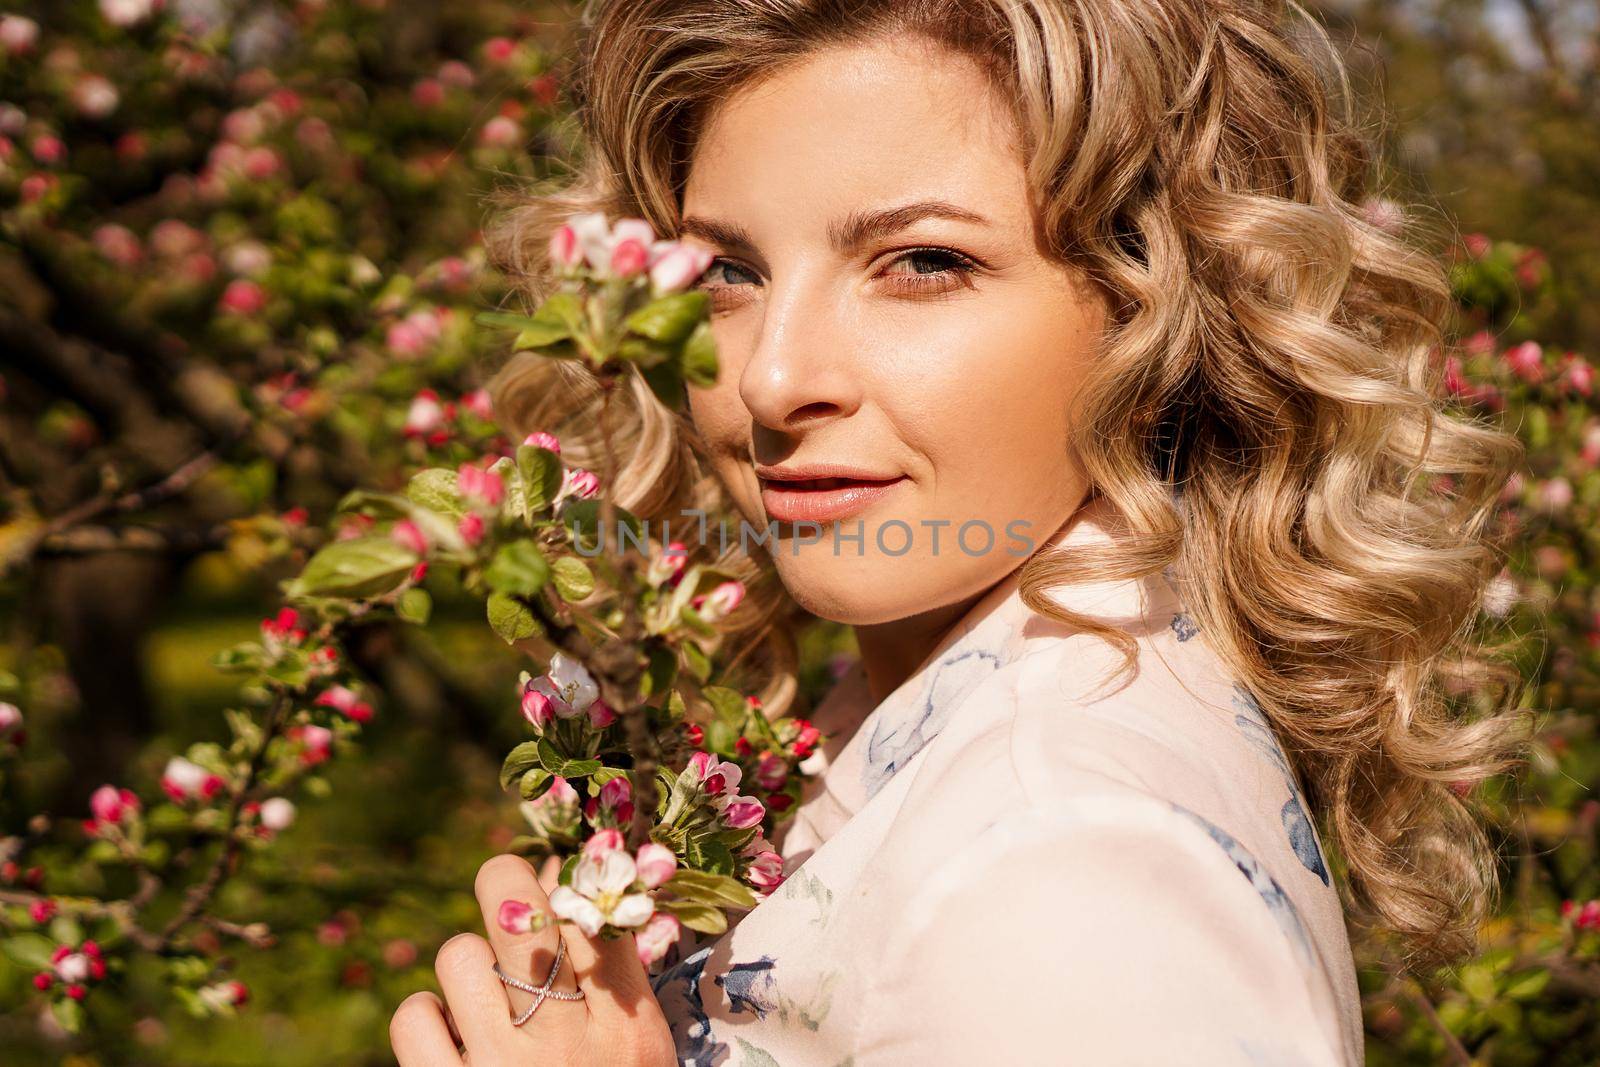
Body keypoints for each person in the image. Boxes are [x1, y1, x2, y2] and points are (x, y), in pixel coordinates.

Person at [389, 1, 1530, 1063]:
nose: (770, 378)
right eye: (728, 271)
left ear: (1161, 311)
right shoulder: (931, 716)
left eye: (923, 263)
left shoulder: (1065, 868)